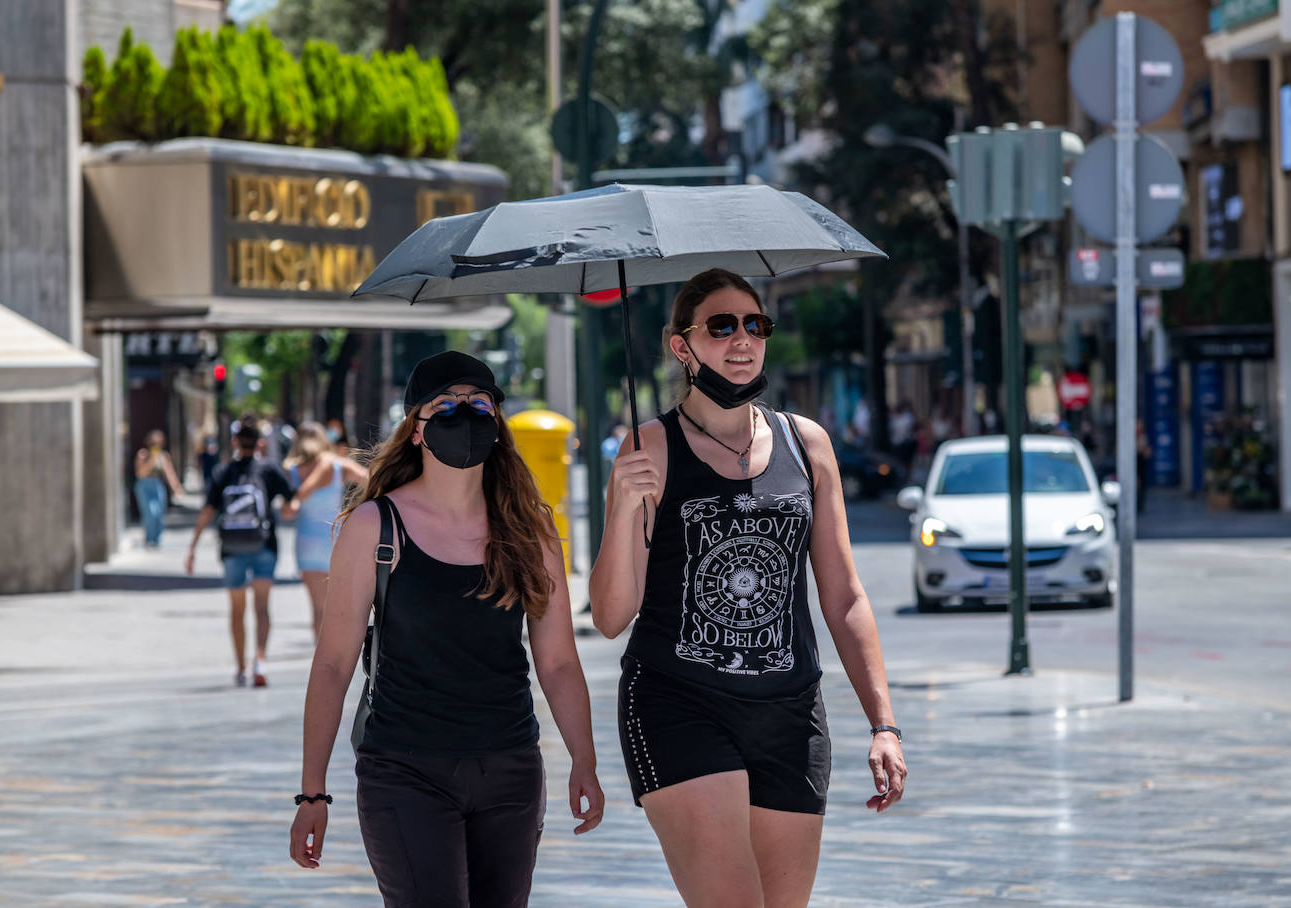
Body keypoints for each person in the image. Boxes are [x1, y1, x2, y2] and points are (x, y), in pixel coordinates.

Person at [589, 268, 906, 908]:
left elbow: (843, 595)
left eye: (755, 325)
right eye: (722, 326)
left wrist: (884, 723)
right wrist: (623, 506)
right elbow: (610, 615)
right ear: (683, 346)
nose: (743, 340)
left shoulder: (806, 442)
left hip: (789, 712)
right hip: (678, 703)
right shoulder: (650, 447)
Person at [289, 351, 603, 906]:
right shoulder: (375, 526)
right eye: (446, 405)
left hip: (510, 770)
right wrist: (311, 793)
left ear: (498, 425)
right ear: (415, 429)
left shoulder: (533, 529)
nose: (465, 414)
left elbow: (556, 661)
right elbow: (334, 664)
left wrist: (584, 760)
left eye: (480, 403)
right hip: (404, 769)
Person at [185, 414, 297, 688]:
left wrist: (192, 548)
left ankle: (240, 668)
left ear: (235, 442)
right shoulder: (269, 470)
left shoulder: (223, 472)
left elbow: (208, 510)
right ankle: (261, 659)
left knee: (237, 609)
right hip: (264, 545)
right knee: (262, 606)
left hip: (232, 549)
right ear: (260, 443)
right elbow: (291, 502)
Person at [284, 422, 368, 639]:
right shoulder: (337, 465)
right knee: (339, 607)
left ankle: (320, 660)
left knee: (318, 609)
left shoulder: (291, 470)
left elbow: (287, 510)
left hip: (306, 544)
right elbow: (371, 480)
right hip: (335, 540)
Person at [133, 429, 184, 548]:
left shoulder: (163, 456)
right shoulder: (143, 454)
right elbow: (140, 473)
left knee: (159, 513)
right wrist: (151, 460)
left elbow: (169, 473)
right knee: (150, 512)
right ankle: (149, 539)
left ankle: (156, 539)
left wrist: (176, 488)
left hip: (157, 485)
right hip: (144, 485)